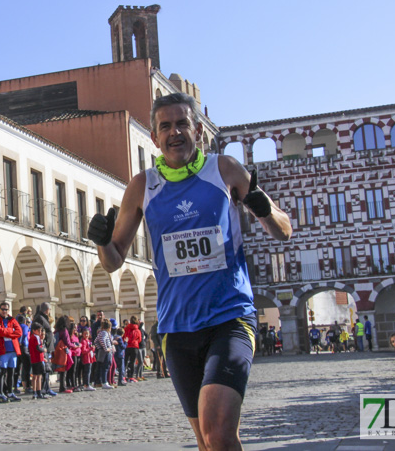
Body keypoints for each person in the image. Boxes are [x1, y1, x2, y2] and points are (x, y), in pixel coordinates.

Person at [88, 93, 292, 450]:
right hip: (177, 329)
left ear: (197, 130)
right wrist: (102, 241)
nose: (174, 132)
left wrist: (263, 209)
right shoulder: (142, 186)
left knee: (217, 429)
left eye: (182, 123)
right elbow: (113, 260)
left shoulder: (224, 169)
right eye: (165, 126)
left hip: (230, 319)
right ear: (154, 138)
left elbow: (284, 229)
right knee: (208, 441)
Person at [0, 301, 22, 402]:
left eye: (6, 309)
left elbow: (19, 332)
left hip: (12, 349)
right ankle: (0, 393)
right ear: (0, 309)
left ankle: (10, 392)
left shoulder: (12, 320)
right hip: (2, 350)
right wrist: (11, 331)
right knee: (1, 373)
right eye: (3, 309)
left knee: (11, 372)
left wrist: (7, 332)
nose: (4, 311)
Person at [31, 302, 56, 396]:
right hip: (43, 347)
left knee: (47, 369)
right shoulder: (40, 318)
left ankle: (47, 388)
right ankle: (43, 389)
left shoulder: (43, 318)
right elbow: (39, 332)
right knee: (44, 369)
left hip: (46, 347)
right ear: (47, 310)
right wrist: (43, 343)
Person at [28, 322, 47, 399]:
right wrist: (43, 350)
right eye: (38, 330)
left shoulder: (34, 337)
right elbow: (38, 348)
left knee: (38, 376)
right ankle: (36, 391)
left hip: (36, 359)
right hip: (37, 359)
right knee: (36, 376)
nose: (40, 332)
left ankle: (38, 391)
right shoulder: (35, 337)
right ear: (34, 330)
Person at [94, 319, 115, 389]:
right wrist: (105, 348)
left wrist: (99, 347)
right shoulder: (104, 333)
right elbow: (101, 340)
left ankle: (103, 381)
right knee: (105, 367)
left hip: (103, 351)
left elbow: (96, 341)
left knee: (103, 367)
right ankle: (104, 382)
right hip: (106, 352)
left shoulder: (101, 333)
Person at [124, 316, 142, 382]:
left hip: (127, 346)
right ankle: (131, 376)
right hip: (134, 346)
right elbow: (139, 339)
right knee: (132, 362)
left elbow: (123, 336)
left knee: (125, 361)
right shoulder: (137, 330)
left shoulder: (126, 329)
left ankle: (124, 376)